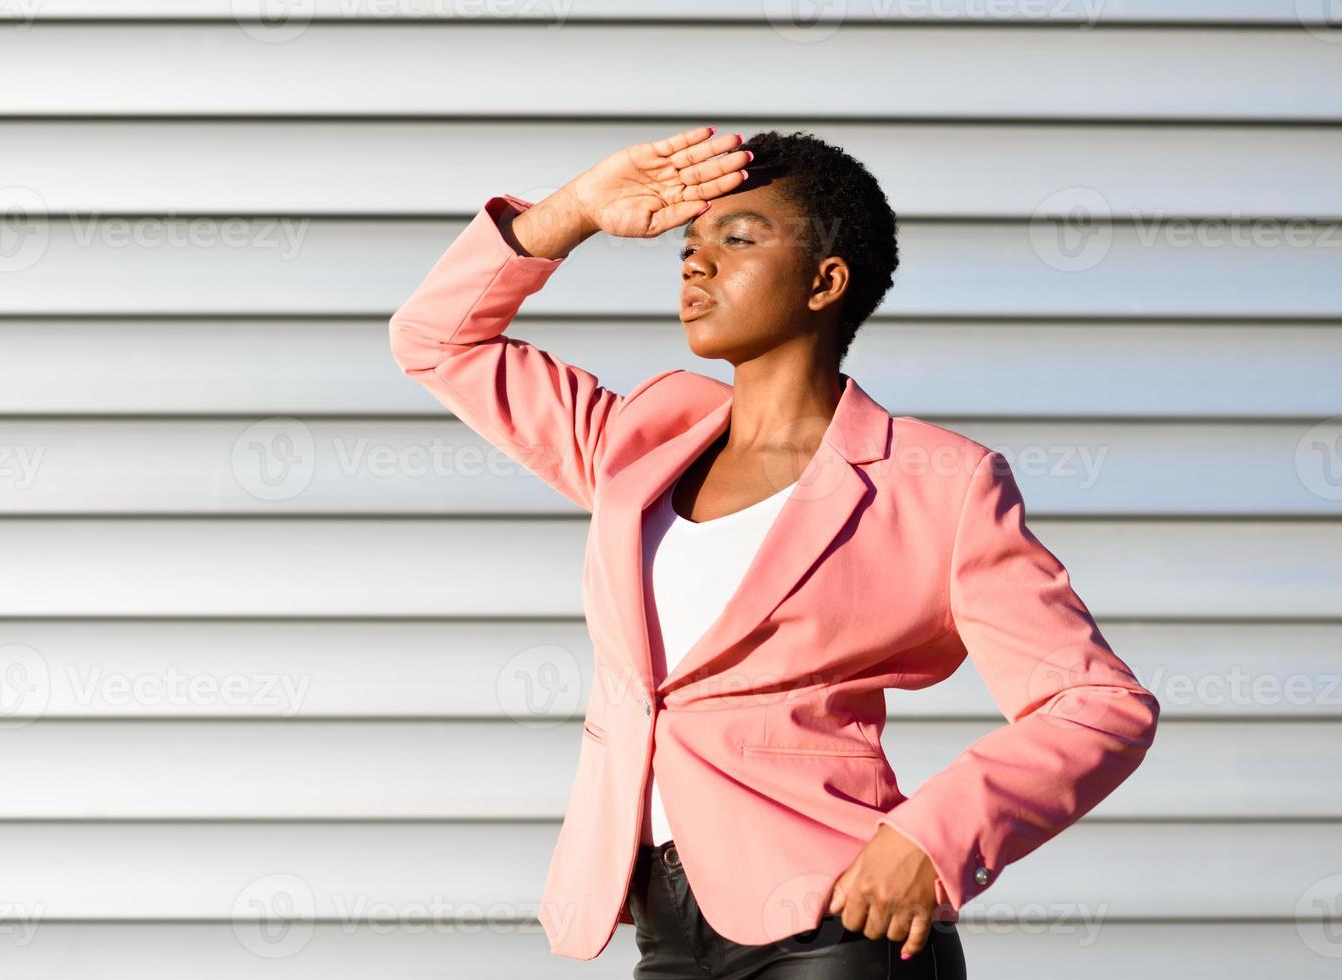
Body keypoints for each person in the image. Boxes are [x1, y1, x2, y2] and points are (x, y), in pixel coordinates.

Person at [388, 127, 1160, 977]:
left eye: (737, 239)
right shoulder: (637, 445)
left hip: (831, 927)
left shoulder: (937, 482)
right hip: (663, 928)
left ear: (826, 280)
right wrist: (575, 209)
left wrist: (928, 841)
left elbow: (1096, 705)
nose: (694, 264)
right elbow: (436, 341)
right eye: (689, 244)